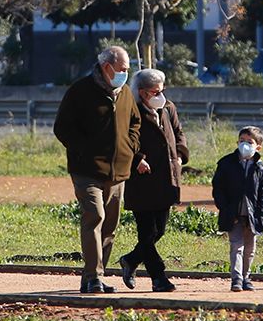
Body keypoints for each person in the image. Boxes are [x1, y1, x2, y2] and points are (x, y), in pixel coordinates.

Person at [53, 45, 141, 293]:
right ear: (107, 67)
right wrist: (84, 151)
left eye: (127, 69)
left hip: (118, 173)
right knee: (95, 217)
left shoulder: (124, 93)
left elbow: (135, 123)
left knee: (110, 225)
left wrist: (130, 147)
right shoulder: (80, 91)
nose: (125, 73)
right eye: (122, 69)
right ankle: (92, 275)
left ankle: (96, 277)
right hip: (87, 171)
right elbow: (62, 128)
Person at [118, 68, 189, 293]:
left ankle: (130, 260)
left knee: (159, 230)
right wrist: (137, 159)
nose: (160, 95)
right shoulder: (130, 111)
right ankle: (159, 278)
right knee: (147, 232)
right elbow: (123, 139)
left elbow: (179, 133)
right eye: (154, 91)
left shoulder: (168, 108)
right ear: (142, 93)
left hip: (166, 177)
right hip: (142, 180)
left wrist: (179, 154)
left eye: (161, 90)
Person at [212, 126, 263, 292]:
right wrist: (225, 209)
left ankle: (246, 278)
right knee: (236, 246)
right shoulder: (226, 163)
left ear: (258, 146)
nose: (244, 145)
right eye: (241, 141)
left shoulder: (261, 168)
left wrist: (261, 214)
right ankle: (236, 280)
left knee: (249, 249)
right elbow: (218, 188)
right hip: (233, 214)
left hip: (252, 216)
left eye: (249, 142)